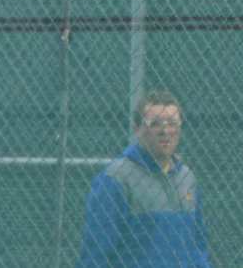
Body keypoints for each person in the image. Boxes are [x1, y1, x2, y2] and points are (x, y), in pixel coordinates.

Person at [76, 90, 213, 268]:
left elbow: (197, 244)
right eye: (155, 124)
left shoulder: (187, 178)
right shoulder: (115, 180)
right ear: (137, 128)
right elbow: (96, 256)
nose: (165, 131)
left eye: (173, 123)